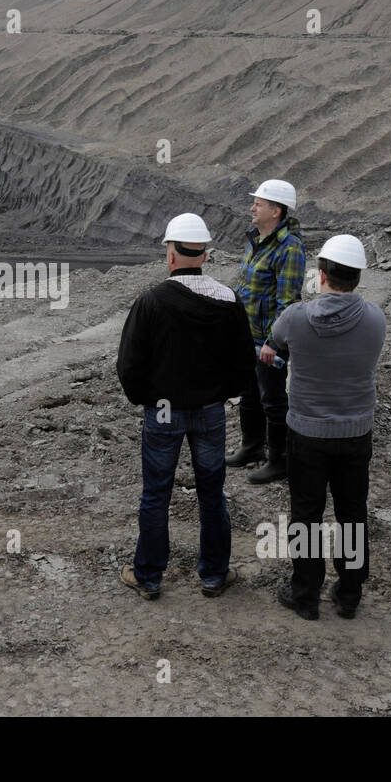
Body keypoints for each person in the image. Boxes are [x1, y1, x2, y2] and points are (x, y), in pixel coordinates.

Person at [117, 213, 256, 599]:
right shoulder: (229, 300)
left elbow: (129, 365)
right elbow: (243, 363)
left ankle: (148, 576)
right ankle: (213, 575)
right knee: (212, 493)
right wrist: (223, 394)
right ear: (205, 255)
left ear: (171, 254)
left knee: (156, 494)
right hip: (210, 412)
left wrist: (146, 398)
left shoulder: (151, 302)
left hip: (162, 412)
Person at [260, 235, 386, 620]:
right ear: (358, 277)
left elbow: (276, 342)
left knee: (306, 513)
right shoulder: (376, 319)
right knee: (352, 512)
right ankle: (348, 595)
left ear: (321, 275)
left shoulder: (296, 317)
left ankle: (306, 596)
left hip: (307, 433)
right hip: (355, 432)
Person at [226, 179, 305, 484]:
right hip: (248, 336)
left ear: (276, 210)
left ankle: (280, 460)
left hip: (270, 343)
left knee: (272, 399)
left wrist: (274, 342)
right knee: (249, 393)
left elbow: (288, 303)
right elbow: (246, 288)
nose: (252, 208)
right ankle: (252, 446)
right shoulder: (255, 241)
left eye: (258, 203)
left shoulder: (289, 249)